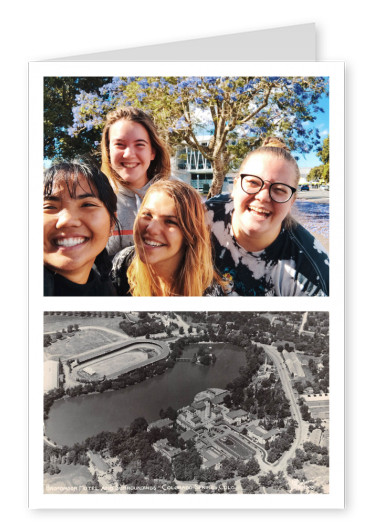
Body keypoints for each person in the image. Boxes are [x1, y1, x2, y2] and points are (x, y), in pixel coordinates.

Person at [206, 137, 329, 296]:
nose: (263, 197)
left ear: (292, 201)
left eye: (279, 189)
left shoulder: (311, 274)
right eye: (253, 183)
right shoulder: (203, 216)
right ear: (235, 186)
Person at [111, 180, 225, 296]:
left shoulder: (209, 294)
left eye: (170, 221)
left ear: (190, 234)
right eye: (147, 215)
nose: (152, 229)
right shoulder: (122, 264)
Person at [101, 106, 171, 257]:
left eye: (139, 144)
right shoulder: (95, 199)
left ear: (152, 152)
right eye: (119, 144)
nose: (129, 154)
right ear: (108, 151)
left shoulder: (176, 196)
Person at [43, 159, 118, 296]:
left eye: (87, 205)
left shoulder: (107, 291)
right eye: (49, 207)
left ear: (112, 223)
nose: (67, 221)